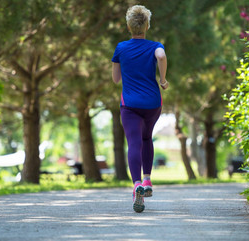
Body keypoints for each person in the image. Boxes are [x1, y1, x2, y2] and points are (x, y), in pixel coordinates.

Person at [111, 5, 168, 213]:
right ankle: (148, 180)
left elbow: (116, 79)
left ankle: (137, 186)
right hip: (153, 103)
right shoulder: (155, 45)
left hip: (130, 105)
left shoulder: (121, 48)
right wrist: (162, 79)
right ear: (147, 25)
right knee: (147, 139)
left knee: (134, 142)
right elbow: (161, 56)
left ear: (128, 26)